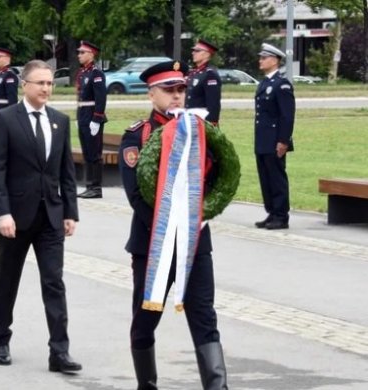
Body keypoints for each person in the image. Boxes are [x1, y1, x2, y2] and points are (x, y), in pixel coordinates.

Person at [118, 61, 229, 390]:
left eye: (181, 90)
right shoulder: (138, 136)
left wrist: (198, 216)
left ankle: (218, 386)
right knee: (145, 320)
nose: (177, 96)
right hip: (153, 243)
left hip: (196, 243)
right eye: (169, 91)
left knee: (205, 318)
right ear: (152, 94)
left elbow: (218, 179)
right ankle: (147, 385)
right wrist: (171, 223)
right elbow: (136, 195)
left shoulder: (202, 131)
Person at [0, 59, 82, 374]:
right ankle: (1, 338)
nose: (46, 88)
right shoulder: (5, 120)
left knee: (54, 282)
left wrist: (70, 211)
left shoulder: (60, 120)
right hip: (15, 217)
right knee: (8, 279)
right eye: (40, 83)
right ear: (24, 85)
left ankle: (60, 351)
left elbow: (66, 171)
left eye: (50, 83)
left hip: (51, 217)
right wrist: (2, 213)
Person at [254, 43, 295, 230]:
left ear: (275, 60)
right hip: (263, 139)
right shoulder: (264, 83)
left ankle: (281, 215)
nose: (260, 61)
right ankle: (271, 212)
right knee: (266, 177)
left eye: (264, 58)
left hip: (275, 140)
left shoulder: (282, 84)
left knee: (277, 178)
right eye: (261, 57)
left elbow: (287, 115)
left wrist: (283, 141)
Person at [75, 40, 107, 199]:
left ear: (91, 54)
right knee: (87, 153)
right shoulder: (83, 73)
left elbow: (101, 99)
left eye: (82, 52)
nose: (79, 55)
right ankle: (89, 186)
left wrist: (97, 118)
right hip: (83, 115)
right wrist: (78, 117)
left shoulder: (96, 73)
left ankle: (96, 187)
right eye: (79, 52)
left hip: (92, 116)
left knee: (95, 153)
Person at [186, 39, 222, 125]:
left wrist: (211, 124)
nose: (193, 53)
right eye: (193, 50)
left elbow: (213, 104)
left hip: (202, 121)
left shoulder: (210, 74)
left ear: (207, 54)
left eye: (197, 51)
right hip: (191, 119)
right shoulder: (194, 72)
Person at [0, 47, 19, 112]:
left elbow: (12, 100)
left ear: (6, 58)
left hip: (5, 113)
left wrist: (11, 116)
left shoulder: (10, 75)